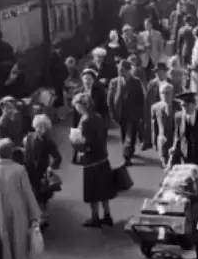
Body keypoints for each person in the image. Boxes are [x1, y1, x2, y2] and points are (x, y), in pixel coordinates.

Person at [71, 92, 116, 227]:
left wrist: (76, 143)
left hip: (91, 159)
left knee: (92, 190)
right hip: (102, 156)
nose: (76, 108)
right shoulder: (97, 116)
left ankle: (95, 217)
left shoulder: (85, 120)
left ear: (82, 105)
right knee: (103, 189)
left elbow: (85, 140)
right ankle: (107, 215)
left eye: (76, 105)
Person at [23, 114, 62, 227]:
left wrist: (51, 167)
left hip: (42, 170)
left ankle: (43, 217)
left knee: (43, 195)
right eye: (38, 126)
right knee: (33, 193)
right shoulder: (29, 137)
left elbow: (57, 157)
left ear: (46, 127)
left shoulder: (48, 141)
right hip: (30, 169)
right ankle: (36, 216)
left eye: (42, 126)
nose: (40, 129)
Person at [107, 59, 145, 166]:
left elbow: (141, 99)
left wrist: (141, 115)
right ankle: (130, 150)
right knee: (125, 135)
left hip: (133, 114)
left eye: (122, 70)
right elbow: (110, 99)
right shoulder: (114, 82)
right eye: (119, 69)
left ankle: (126, 157)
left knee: (130, 135)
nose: (120, 72)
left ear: (128, 70)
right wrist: (113, 114)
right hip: (120, 114)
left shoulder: (136, 82)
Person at [143, 62, 169, 150]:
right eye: (156, 72)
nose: (157, 73)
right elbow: (147, 99)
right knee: (156, 129)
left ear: (164, 72)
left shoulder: (170, 83)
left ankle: (163, 148)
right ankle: (157, 146)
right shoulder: (152, 83)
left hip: (166, 112)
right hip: (155, 111)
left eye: (159, 71)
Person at [151, 82, 176, 168]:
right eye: (163, 93)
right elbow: (154, 126)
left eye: (168, 93)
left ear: (172, 93)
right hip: (162, 140)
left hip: (175, 140)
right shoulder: (155, 107)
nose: (165, 95)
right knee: (164, 163)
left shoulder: (179, 106)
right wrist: (154, 141)